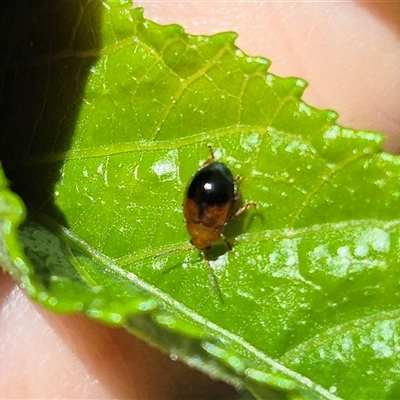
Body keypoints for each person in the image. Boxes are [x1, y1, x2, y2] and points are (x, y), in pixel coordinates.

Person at [0, 2, 399, 398]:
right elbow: (211, 196)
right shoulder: (204, 223)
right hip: (216, 179)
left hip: (216, 178)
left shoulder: (206, 224)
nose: (204, 243)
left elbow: (209, 195)